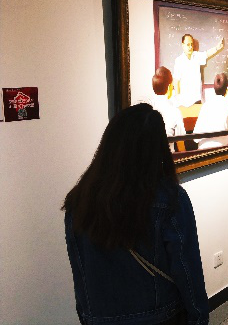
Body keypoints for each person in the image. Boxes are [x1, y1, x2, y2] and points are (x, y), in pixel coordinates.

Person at [62, 103, 209, 325]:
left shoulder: (80, 200)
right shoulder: (169, 199)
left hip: (100, 318)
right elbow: (187, 270)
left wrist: (87, 316)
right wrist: (198, 317)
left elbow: (80, 272)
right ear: (157, 148)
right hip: (160, 316)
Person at [173, 33, 224, 107]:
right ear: (183, 45)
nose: (190, 47)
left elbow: (207, 54)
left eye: (191, 44)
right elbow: (176, 82)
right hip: (184, 101)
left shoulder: (196, 56)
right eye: (188, 45)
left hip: (197, 99)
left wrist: (217, 48)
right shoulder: (179, 61)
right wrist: (178, 101)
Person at [193, 73, 228, 149]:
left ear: (214, 89)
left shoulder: (205, 105)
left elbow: (195, 138)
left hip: (202, 151)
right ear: (226, 89)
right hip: (221, 150)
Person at [151, 66, 186, 152]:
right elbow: (180, 143)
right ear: (170, 87)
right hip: (168, 158)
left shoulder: (146, 108)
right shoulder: (174, 112)